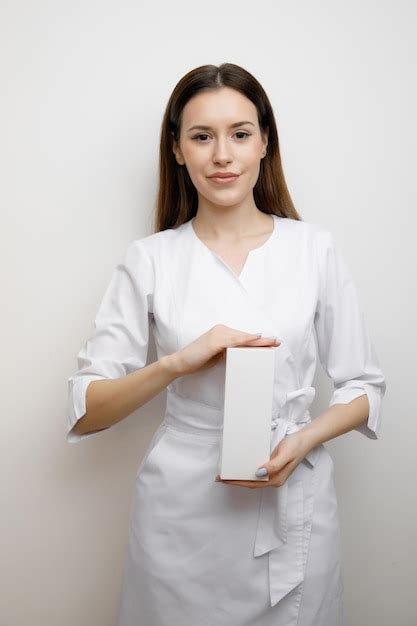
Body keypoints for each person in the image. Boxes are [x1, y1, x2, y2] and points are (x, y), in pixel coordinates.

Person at [67, 63, 387, 626]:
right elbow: (89, 410)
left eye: (240, 133)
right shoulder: (152, 259)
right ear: (177, 150)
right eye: (201, 136)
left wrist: (305, 438)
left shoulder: (313, 248)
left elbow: (364, 386)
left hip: (293, 497)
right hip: (181, 514)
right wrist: (174, 364)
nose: (222, 155)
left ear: (265, 142)